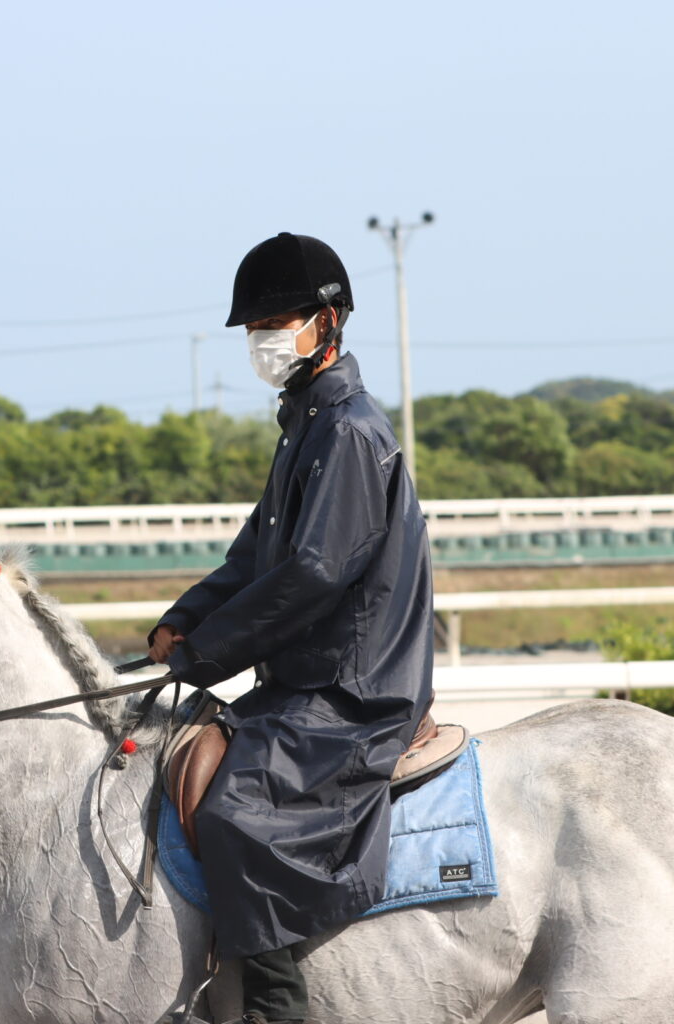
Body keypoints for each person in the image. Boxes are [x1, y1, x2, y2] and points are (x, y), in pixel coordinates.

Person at [148, 232, 435, 1024]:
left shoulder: (347, 432)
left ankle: (277, 1009)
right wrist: (184, 620)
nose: (261, 338)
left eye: (276, 319)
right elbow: (253, 558)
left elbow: (312, 573)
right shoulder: (304, 427)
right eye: (253, 325)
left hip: (351, 691)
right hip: (305, 682)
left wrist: (210, 655)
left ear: (327, 321)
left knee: (239, 814)